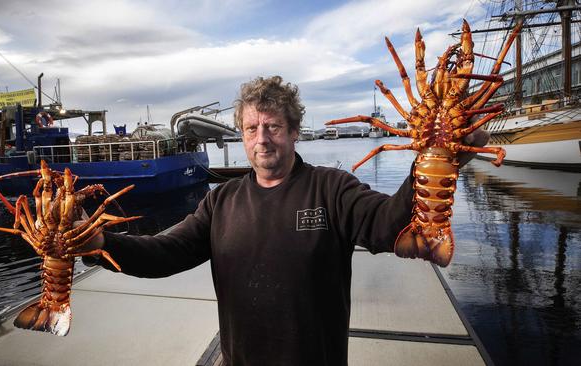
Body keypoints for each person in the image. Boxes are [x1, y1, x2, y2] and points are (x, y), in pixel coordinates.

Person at [84, 75, 488, 365]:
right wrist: (101, 244)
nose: (262, 139)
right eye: (252, 128)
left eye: (274, 127)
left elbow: (389, 224)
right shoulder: (221, 201)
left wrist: (440, 159)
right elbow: (164, 254)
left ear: (294, 131)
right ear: (241, 136)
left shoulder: (332, 189)